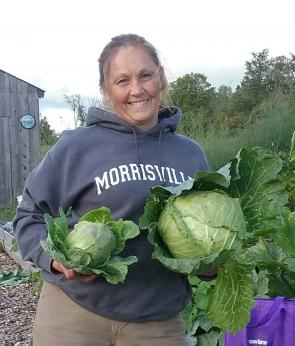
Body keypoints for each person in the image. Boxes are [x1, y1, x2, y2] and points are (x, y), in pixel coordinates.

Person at [13, 33, 210, 345]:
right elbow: (28, 217)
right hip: (74, 315)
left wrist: (211, 259)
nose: (137, 90)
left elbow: (203, 233)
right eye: (122, 81)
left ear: (160, 77)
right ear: (106, 90)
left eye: (146, 75)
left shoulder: (190, 154)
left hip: (157, 321)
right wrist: (54, 259)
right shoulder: (75, 147)